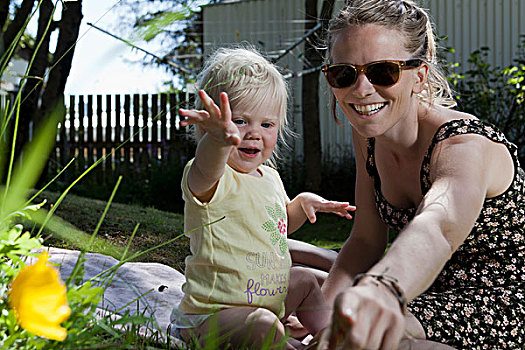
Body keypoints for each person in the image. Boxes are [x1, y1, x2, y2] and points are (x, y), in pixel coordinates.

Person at [315, 0, 525, 349]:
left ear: (420, 75)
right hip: (427, 292)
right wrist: (318, 316)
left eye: (383, 71)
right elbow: (367, 240)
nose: (361, 89)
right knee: (314, 299)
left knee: (365, 339)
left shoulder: (463, 145)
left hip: (502, 303)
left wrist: (383, 288)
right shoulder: (368, 135)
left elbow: (438, 226)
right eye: (344, 74)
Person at [170, 46, 356, 349]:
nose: (254, 133)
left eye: (266, 125)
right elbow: (207, 165)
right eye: (240, 121)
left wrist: (299, 206)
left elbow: (277, 227)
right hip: (211, 317)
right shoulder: (210, 175)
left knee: (306, 281)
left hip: (268, 303)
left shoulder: (269, 178)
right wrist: (217, 141)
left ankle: (327, 340)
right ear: (210, 126)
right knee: (263, 325)